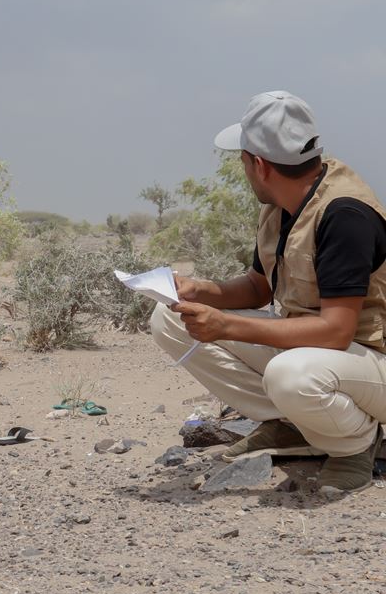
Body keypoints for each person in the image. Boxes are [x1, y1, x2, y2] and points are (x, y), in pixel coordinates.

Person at [151, 91, 386, 495]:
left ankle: (354, 445)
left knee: (290, 374)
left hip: (371, 359)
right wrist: (199, 291)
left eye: (242, 159)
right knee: (169, 318)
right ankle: (294, 426)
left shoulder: (344, 215)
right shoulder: (282, 204)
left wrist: (226, 325)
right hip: (331, 357)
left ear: (258, 165)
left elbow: (336, 332)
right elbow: (259, 287)